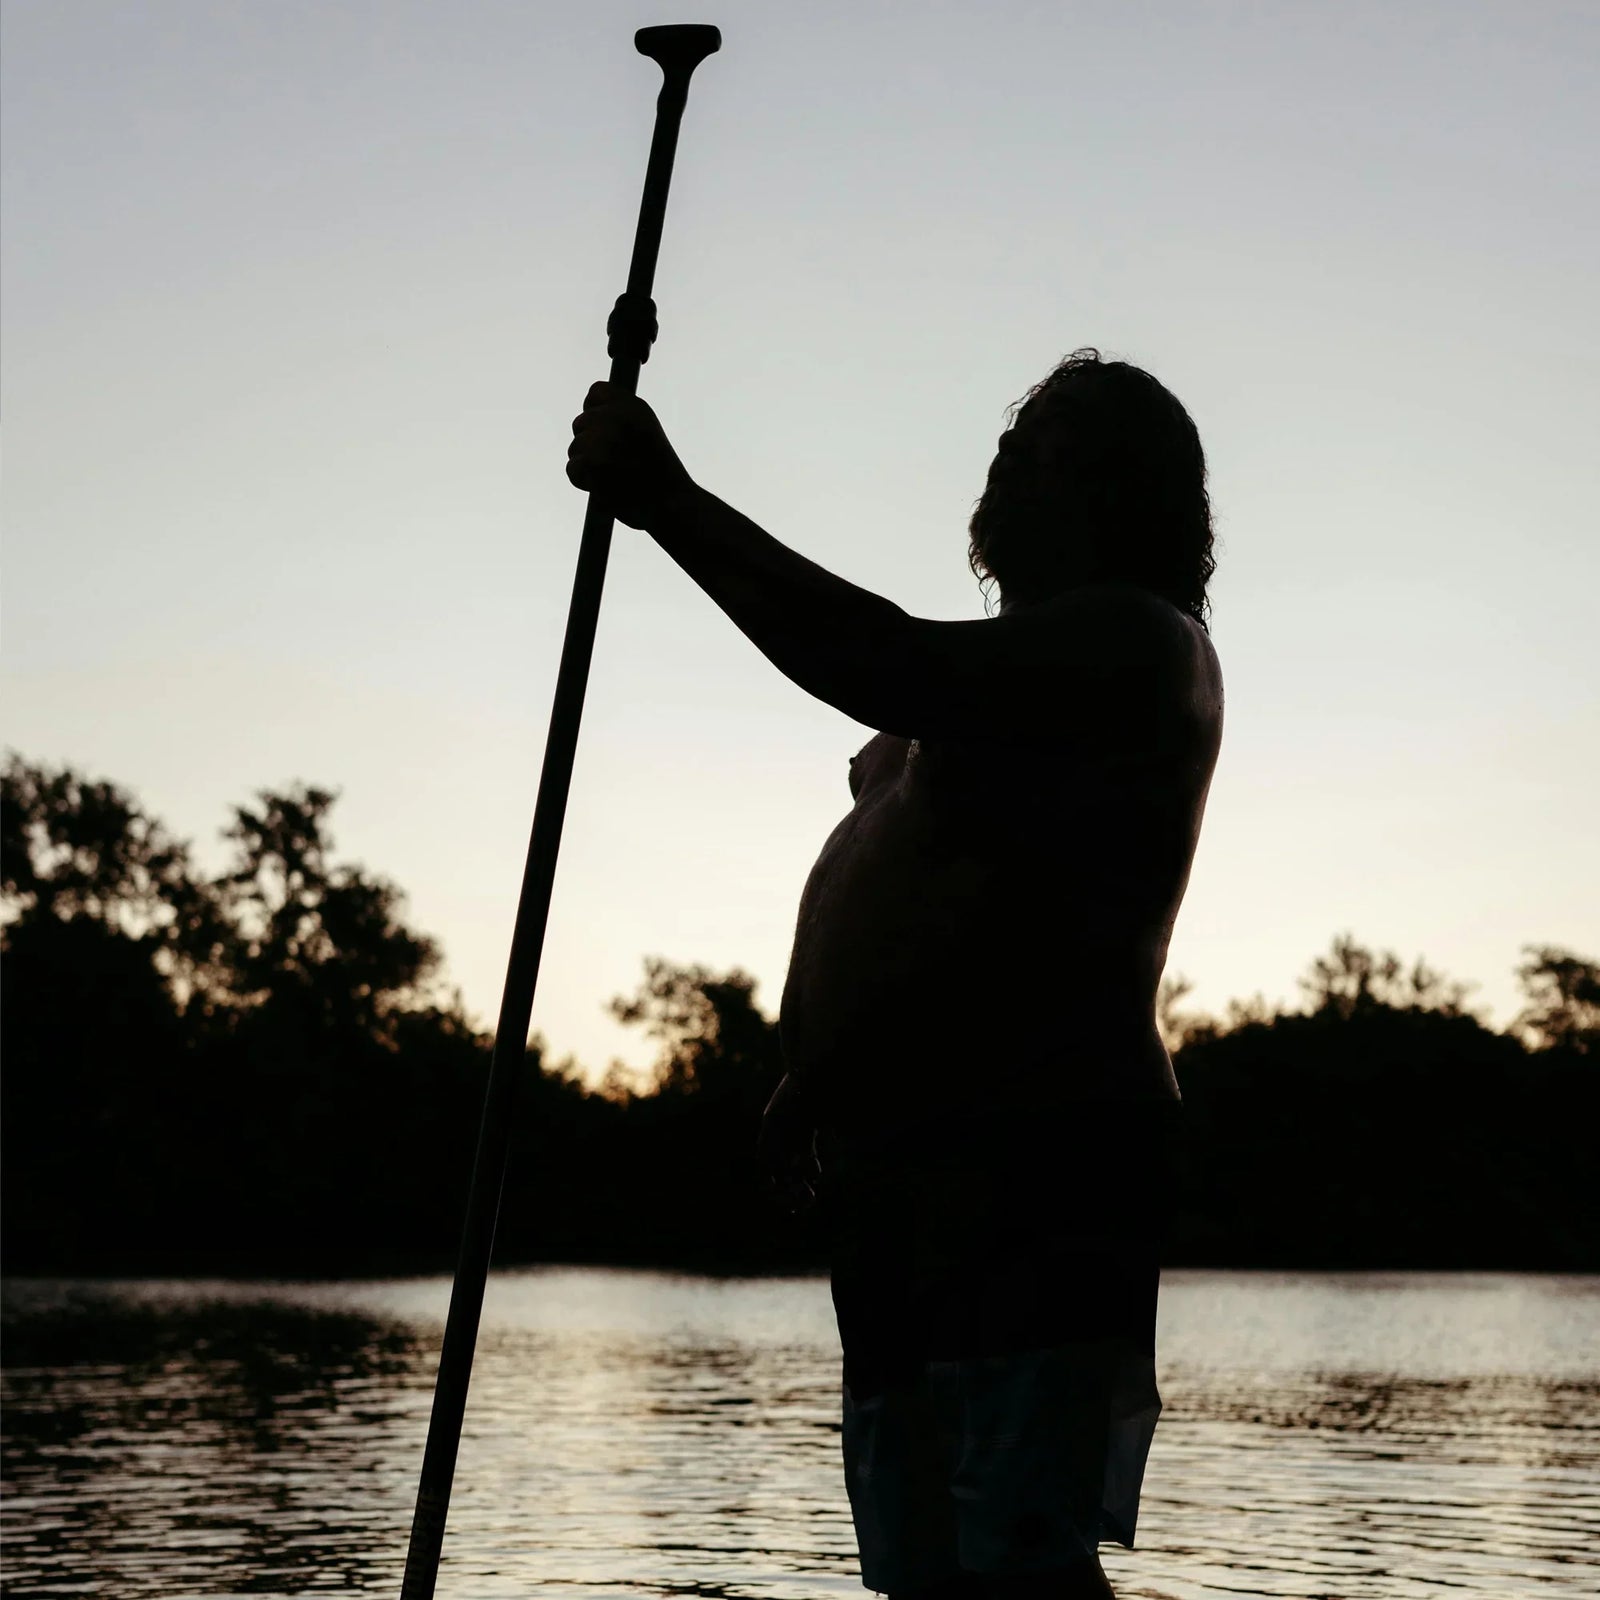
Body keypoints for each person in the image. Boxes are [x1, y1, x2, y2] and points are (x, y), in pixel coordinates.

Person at [566, 347, 1224, 1600]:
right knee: (920, 1559)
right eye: (1011, 435)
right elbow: (964, 896)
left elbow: (882, 661)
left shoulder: (1141, 643)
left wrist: (670, 503)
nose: (1007, 458)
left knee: (1013, 1551)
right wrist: (823, 1070)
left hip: (1032, 1154)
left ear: (1123, 489)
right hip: (903, 1160)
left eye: (1050, 441)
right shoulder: (1026, 662)